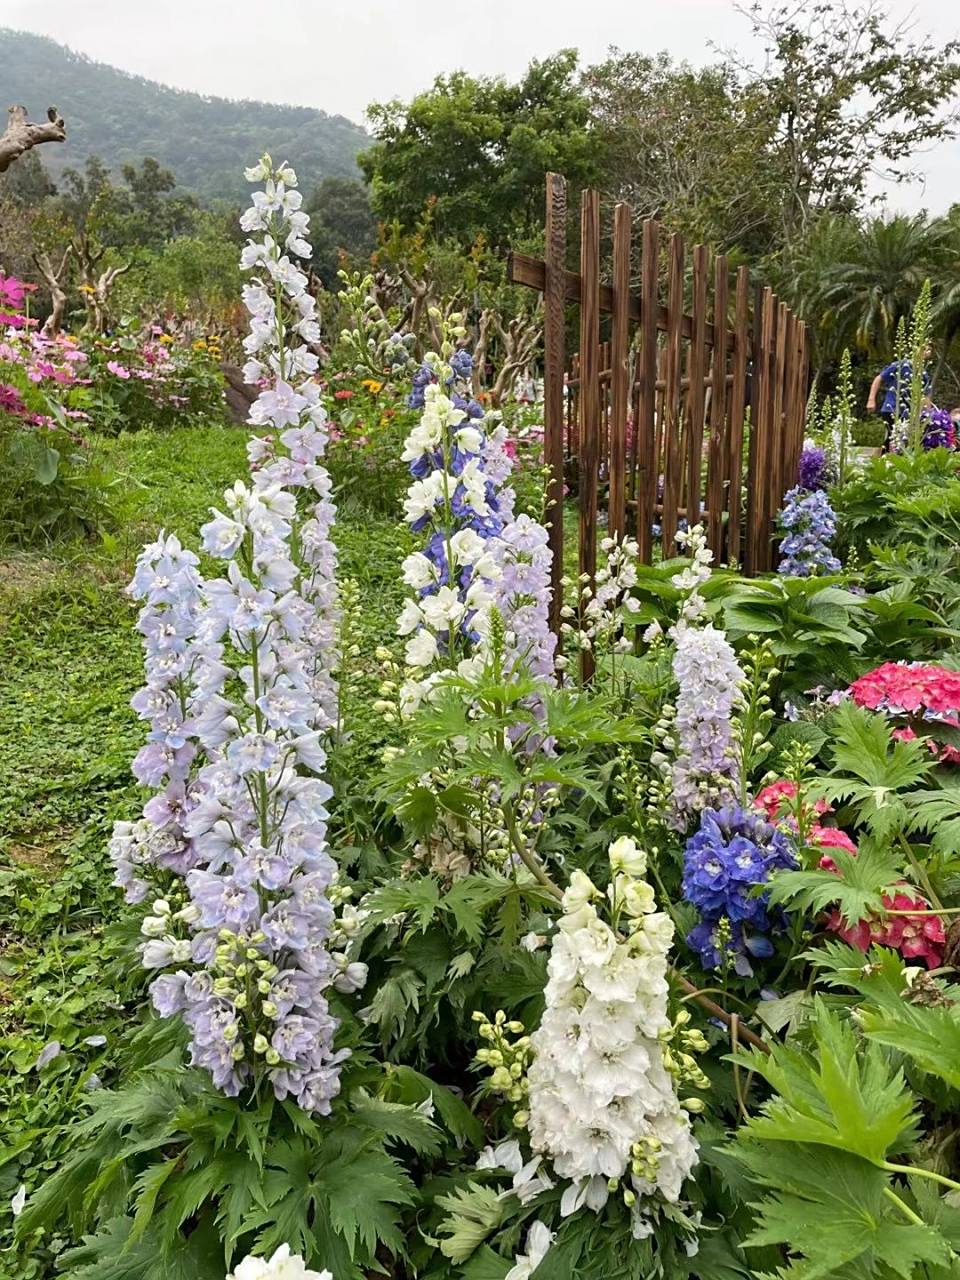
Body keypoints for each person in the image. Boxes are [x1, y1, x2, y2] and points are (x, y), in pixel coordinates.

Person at [866, 347, 932, 447]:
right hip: (891, 408)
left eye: (929, 349)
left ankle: (887, 458)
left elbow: (925, 397)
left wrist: (927, 415)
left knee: (904, 442)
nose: (926, 352)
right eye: (923, 348)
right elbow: (879, 378)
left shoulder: (924, 374)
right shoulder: (902, 365)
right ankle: (880, 459)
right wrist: (871, 400)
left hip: (909, 414)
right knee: (892, 439)